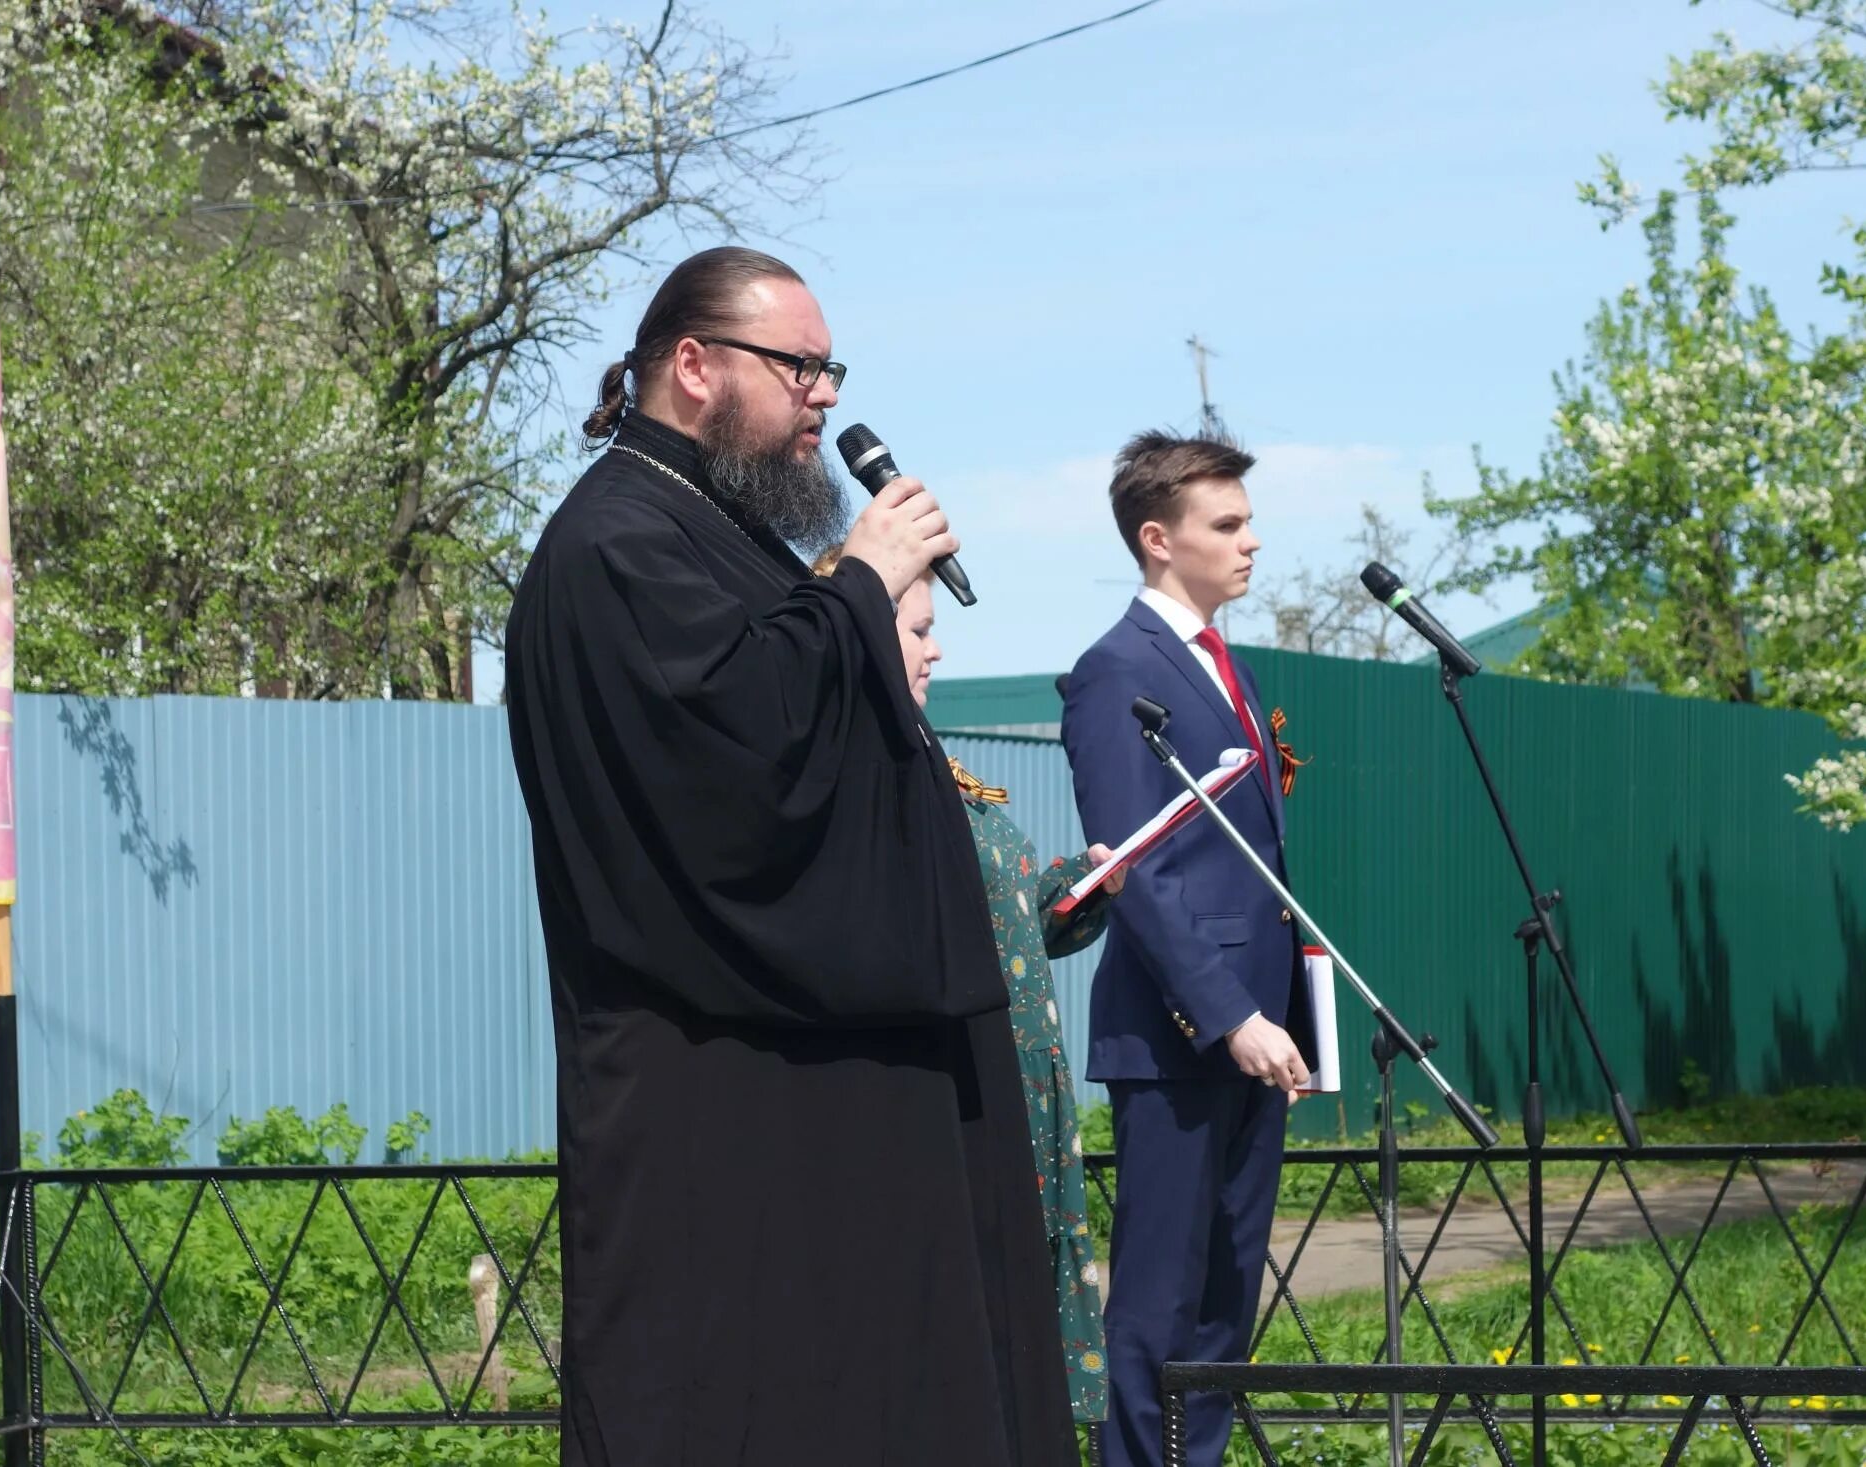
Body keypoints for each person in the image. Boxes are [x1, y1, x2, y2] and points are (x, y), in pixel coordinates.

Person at [504, 245, 1075, 1467]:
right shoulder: (616, 542)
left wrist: (849, 602)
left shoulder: (715, 531)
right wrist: (862, 581)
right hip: (713, 1113)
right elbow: (738, 772)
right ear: (694, 366)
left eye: (831, 368)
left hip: (815, 1113)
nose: (825, 394)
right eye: (799, 366)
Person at [1058, 429, 1312, 1467]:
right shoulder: (1114, 672)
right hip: (1179, 1039)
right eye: (1228, 524)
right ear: (1158, 539)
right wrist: (1232, 1014)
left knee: (1223, 1303)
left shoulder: (1225, 664)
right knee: (1158, 1309)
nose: (1253, 541)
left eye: (1247, 520)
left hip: (1257, 1027)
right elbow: (1135, 871)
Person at [820, 547, 1117, 1427]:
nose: (935, 652)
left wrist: (1090, 884)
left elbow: (1011, 917)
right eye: (918, 631)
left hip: (1023, 1107)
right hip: (947, 1121)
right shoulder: (850, 774)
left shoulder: (933, 762)